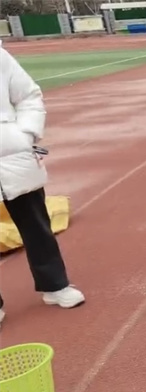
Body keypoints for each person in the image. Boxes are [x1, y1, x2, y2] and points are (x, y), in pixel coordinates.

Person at [0, 41, 85, 330]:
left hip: (14, 155)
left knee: (37, 226)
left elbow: (29, 96)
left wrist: (26, 134)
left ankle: (55, 285)